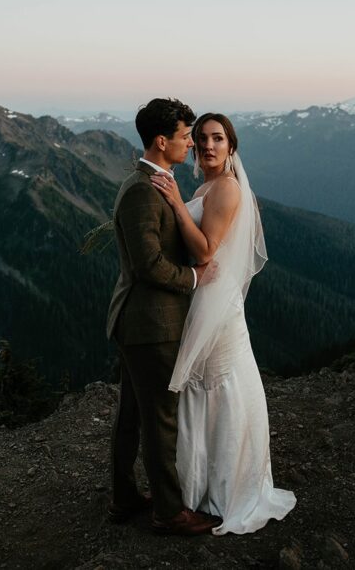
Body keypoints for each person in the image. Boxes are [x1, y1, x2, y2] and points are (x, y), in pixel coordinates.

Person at [150, 112, 296, 535]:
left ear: (231, 147)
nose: (208, 145)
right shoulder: (207, 186)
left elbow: (206, 253)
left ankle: (226, 488)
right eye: (201, 139)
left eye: (218, 138)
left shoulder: (228, 189)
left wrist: (176, 203)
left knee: (217, 385)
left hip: (216, 302)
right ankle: (199, 488)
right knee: (205, 388)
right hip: (203, 298)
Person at [106, 97, 221, 535]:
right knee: (159, 418)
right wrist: (195, 277)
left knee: (134, 413)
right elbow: (148, 265)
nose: (191, 144)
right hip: (150, 324)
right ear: (161, 141)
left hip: (144, 323)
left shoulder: (155, 182)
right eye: (185, 136)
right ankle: (169, 512)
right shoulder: (141, 190)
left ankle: (124, 497)